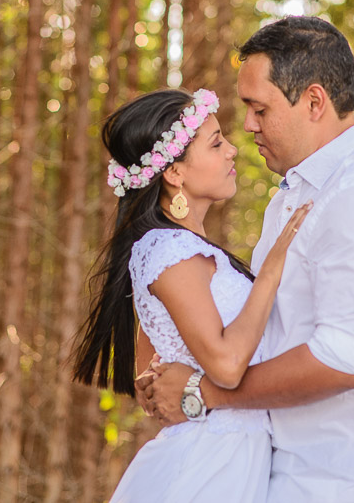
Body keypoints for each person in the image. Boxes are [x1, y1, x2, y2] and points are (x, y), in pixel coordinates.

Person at [139, 16, 354, 503]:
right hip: (289, 477)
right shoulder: (297, 194)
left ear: (314, 102)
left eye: (259, 108)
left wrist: (203, 393)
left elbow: (342, 359)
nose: (248, 125)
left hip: (352, 485)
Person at [72, 87, 311, 503]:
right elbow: (228, 366)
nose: (232, 150)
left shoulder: (177, 249)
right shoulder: (171, 251)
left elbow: (149, 369)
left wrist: (172, 387)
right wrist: (271, 272)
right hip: (209, 466)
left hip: (231, 458)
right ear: (174, 173)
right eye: (216, 143)